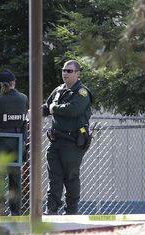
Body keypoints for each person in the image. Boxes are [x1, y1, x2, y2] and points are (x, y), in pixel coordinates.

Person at [42, 60, 93, 215]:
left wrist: (53, 109)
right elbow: (47, 107)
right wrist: (34, 111)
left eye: (69, 71)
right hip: (56, 140)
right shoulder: (58, 90)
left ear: (77, 73)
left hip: (73, 142)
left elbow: (73, 109)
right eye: (64, 70)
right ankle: (50, 209)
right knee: (54, 177)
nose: (65, 73)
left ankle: (71, 211)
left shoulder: (82, 92)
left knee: (70, 177)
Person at [0, 69, 28, 216]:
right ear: (14, 82)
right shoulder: (23, 98)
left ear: (1, 84)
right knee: (15, 180)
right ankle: (15, 213)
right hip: (17, 142)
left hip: (1, 141)